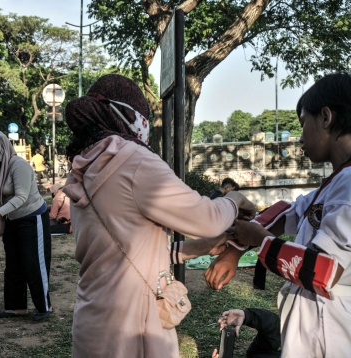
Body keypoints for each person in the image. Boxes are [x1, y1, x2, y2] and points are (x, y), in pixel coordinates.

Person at [61, 74, 256, 358]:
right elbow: (210, 218)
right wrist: (235, 199)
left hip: (94, 320)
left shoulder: (84, 169)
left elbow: (126, 251)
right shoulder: (132, 160)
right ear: (132, 118)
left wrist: (199, 248)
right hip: (134, 329)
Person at [214, 72, 351, 357]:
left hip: (331, 329)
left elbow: (323, 271)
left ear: (325, 117)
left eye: (303, 124)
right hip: (319, 316)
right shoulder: (343, 178)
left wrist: (259, 241)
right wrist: (235, 245)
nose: (299, 138)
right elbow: (290, 211)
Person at [0, 131, 52, 322]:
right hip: (12, 219)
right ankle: (16, 307)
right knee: (13, 265)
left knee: (33, 263)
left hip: (32, 217)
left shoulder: (19, 166)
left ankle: (44, 306)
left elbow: (20, 196)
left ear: (0, 152)